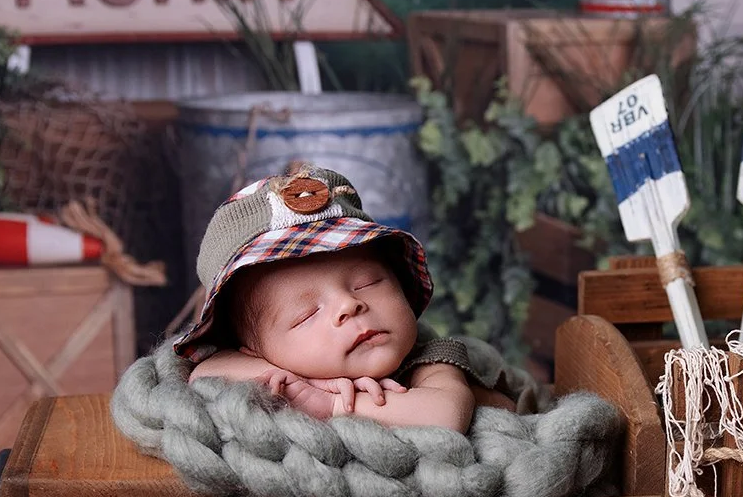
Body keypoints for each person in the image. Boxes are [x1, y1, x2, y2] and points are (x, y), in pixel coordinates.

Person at [176, 168, 507, 431]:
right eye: (307, 314)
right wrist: (294, 379)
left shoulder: (431, 360)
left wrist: (329, 403)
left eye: (368, 283)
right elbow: (204, 374)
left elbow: (444, 416)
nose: (349, 305)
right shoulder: (274, 364)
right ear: (255, 351)